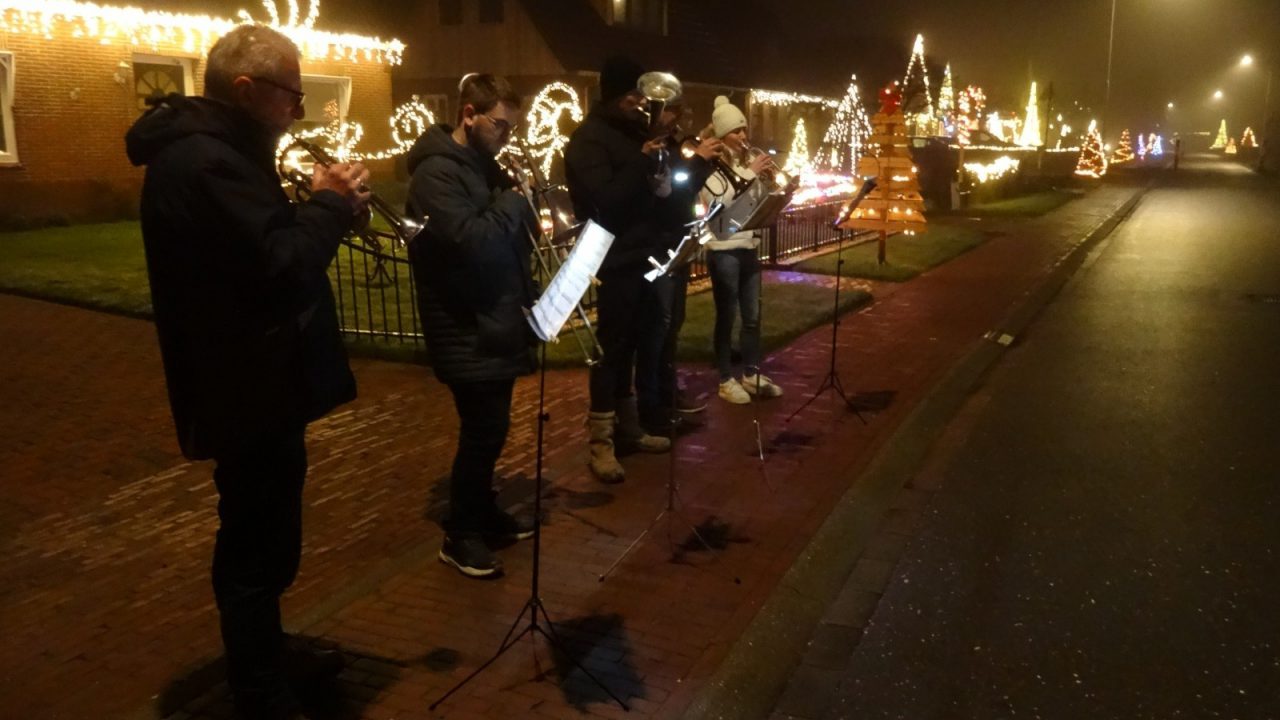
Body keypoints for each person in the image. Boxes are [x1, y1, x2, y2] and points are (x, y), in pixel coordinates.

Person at [125, 24, 369, 720]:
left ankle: (268, 654)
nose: (296, 110)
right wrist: (325, 202)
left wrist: (326, 209)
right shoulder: (206, 163)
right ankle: (257, 687)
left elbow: (263, 246)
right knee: (254, 544)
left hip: (258, 378)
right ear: (244, 89)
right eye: (289, 96)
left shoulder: (223, 153)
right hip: (243, 384)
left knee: (267, 533)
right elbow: (281, 262)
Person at [405, 73, 538, 578]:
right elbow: (473, 242)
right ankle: (460, 533)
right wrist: (512, 199)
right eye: (501, 126)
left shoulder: (483, 167)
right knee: (482, 429)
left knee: (493, 427)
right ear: (469, 115)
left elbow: (508, 236)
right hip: (463, 322)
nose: (507, 136)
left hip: (493, 315)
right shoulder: (435, 174)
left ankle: (482, 513)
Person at [564, 56, 672, 483]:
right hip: (614, 257)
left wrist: (664, 162)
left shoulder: (634, 133)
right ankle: (601, 442)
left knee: (637, 343)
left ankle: (628, 428)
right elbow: (605, 201)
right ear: (612, 96)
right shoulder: (588, 140)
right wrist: (643, 161)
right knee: (610, 350)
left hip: (645, 252)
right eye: (632, 96)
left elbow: (652, 191)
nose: (640, 104)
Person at [635, 98, 720, 435]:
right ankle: (653, 399)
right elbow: (672, 194)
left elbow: (685, 193)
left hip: (678, 240)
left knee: (673, 322)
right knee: (659, 325)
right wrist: (699, 162)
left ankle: (667, 390)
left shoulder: (671, 146)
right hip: (660, 246)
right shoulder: (654, 148)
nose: (677, 120)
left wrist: (706, 165)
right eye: (671, 112)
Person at [700, 96, 784, 405]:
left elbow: (754, 201)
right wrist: (749, 173)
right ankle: (725, 378)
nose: (744, 138)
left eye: (744, 130)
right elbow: (719, 204)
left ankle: (750, 372)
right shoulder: (709, 167)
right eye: (737, 132)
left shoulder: (740, 164)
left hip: (748, 245)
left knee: (752, 316)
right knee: (727, 316)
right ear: (722, 136)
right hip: (724, 248)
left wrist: (770, 184)